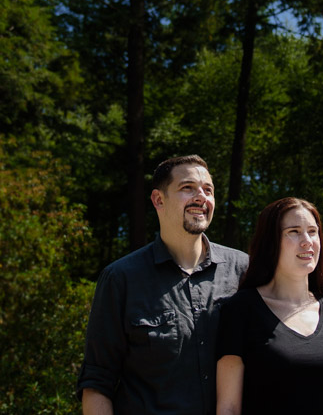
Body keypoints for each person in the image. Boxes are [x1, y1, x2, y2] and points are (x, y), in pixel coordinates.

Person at [77, 155, 249, 415]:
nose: (201, 197)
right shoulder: (121, 279)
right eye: (187, 187)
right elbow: (97, 382)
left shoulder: (243, 270)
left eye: (208, 190)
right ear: (159, 200)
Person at [216, 197, 323, 415]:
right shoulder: (241, 310)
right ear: (271, 242)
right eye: (294, 232)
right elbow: (229, 407)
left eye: (312, 232)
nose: (307, 241)